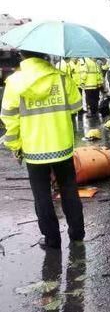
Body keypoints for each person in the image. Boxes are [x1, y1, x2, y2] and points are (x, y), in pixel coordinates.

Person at [0, 50, 85, 249]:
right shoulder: (61, 78)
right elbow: (76, 106)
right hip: (62, 146)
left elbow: (9, 119)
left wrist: (15, 146)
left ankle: (52, 240)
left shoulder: (14, 82)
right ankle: (77, 234)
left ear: (22, 55)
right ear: (44, 55)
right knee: (69, 189)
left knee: (42, 195)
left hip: (33, 150)